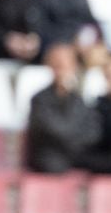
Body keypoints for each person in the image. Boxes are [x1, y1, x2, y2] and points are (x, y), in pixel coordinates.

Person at [25, 44, 102, 174]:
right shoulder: (40, 99)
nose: (62, 70)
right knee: (55, 167)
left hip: (75, 153)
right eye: (58, 65)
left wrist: (78, 143)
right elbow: (54, 130)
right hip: (51, 156)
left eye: (65, 65)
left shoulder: (77, 99)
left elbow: (93, 131)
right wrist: (75, 138)